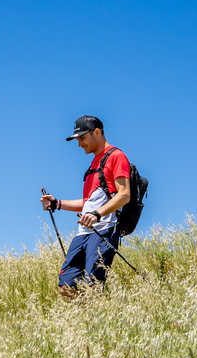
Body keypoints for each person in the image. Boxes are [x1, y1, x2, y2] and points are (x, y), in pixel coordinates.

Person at [41, 115, 132, 298]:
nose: (79, 144)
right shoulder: (93, 164)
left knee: (93, 285)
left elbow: (124, 195)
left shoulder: (116, 157)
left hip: (104, 229)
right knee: (67, 287)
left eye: (82, 138)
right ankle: (85, 319)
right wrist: (57, 204)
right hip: (83, 232)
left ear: (97, 132)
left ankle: (100, 319)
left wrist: (97, 215)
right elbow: (87, 202)